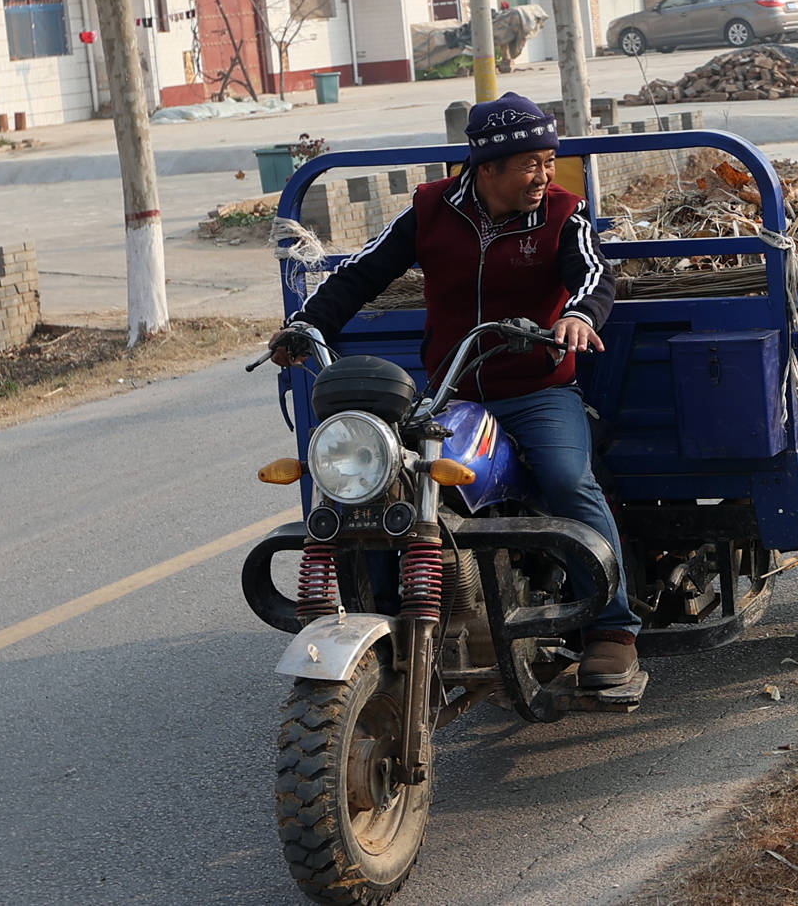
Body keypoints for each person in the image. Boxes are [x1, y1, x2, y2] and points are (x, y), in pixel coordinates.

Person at [266, 92, 641, 691]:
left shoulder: (563, 213)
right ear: (485, 168)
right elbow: (362, 273)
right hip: (451, 393)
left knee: (570, 480)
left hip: (540, 389)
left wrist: (581, 317)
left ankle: (613, 629)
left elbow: (595, 274)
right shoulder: (430, 210)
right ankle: (395, 623)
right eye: (530, 164)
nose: (544, 176)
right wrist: (308, 325)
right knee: (394, 484)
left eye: (549, 160)